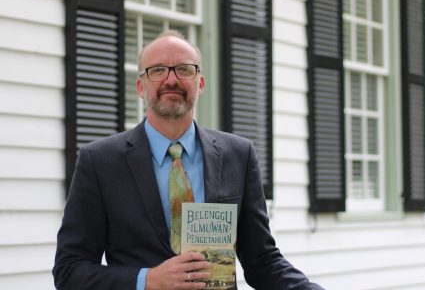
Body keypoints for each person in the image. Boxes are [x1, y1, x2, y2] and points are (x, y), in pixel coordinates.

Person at [53, 30, 324, 290]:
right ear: (140, 86)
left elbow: (263, 262)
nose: (171, 80)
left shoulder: (238, 155)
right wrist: (148, 280)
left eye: (184, 69)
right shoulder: (99, 161)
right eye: (157, 70)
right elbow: (69, 271)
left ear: (200, 83)